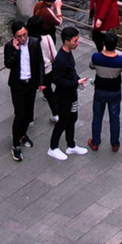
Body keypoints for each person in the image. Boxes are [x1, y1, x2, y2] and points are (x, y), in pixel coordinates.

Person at [4, 19, 45, 162]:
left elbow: (40, 62)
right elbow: (8, 64)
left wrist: (41, 82)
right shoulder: (10, 46)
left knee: (29, 114)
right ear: (14, 36)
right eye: (19, 36)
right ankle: (15, 144)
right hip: (17, 85)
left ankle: (23, 134)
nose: (22, 38)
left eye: (24, 35)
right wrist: (15, 51)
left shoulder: (34, 42)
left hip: (31, 84)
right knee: (19, 115)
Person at [48, 26, 88, 161]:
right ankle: (53, 147)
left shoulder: (68, 54)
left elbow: (71, 72)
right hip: (64, 96)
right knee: (63, 121)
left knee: (72, 119)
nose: (77, 43)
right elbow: (57, 80)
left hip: (72, 95)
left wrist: (77, 80)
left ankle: (71, 145)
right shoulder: (60, 59)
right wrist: (76, 83)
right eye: (75, 41)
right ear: (66, 41)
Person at [87, 31, 122, 152]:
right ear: (117, 44)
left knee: (97, 116)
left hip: (100, 90)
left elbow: (91, 66)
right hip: (114, 91)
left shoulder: (96, 57)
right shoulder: (121, 60)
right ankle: (115, 143)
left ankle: (95, 142)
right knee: (115, 117)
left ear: (104, 43)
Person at [26, 13, 59, 122]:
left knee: (30, 97)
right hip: (47, 71)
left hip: (32, 74)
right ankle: (55, 114)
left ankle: (30, 119)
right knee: (49, 92)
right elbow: (54, 56)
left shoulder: (26, 43)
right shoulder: (47, 39)